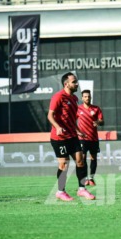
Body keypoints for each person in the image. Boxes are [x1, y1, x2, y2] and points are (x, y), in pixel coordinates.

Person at [48, 72, 95, 201]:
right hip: (59, 138)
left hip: (72, 136)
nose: (77, 83)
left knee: (81, 160)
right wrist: (57, 127)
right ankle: (60, 191)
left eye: (76, 81)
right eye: (74, 81)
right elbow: (50, 115)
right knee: (64, 164)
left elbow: (71, 119)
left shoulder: (74, 99)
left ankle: (82, 189)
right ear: (66, 84)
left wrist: (78, 130)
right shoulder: (58, 97)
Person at [77, 89, 104, 187]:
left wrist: (98, 122)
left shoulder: (96, 109)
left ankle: (91, 178)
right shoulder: (78, 109)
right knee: (82, 158)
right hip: (82, 138)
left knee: (93, 158)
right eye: (85, 96)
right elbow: (72, 121)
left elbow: (102, 121)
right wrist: (77, 132)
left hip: (93, 138)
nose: (87, 98)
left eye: (88, 96)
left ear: (90, 97)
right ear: (82, 98)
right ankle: (84, 178)